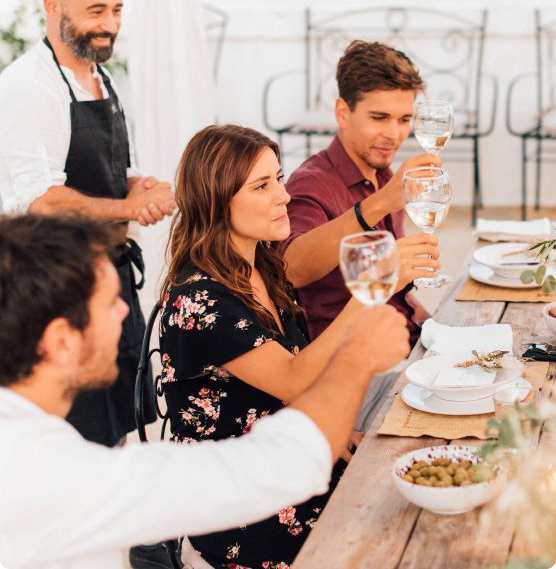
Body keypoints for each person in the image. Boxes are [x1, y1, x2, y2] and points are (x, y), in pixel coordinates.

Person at [0, 213, 410, 569]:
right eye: (110, 304)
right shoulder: (37, 471)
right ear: (61, 342)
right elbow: (277, 467)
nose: (127, 310)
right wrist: (355, 358)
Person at [158, 124, 409, 569]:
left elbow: (293, 383)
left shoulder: (265, 265)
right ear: (216, 200)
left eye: (278, 178)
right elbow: (293, 376)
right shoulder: (198, 297)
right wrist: (372, 289)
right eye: (262, 185)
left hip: (286, 460)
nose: (284, 196)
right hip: (242, 507)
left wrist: (333, 429)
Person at [0, 0, 175, 446]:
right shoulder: (28, 89)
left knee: (122, 427)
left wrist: (142, 187)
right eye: (97, 11)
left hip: (109, 278)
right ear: (52, 6)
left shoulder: (102, 78)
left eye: (117, 11)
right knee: (74, 437)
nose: (110, 24)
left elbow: (116, 169)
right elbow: (42, 201)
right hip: (56, 293)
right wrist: (127, 208)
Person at [284, 40, 443, 345]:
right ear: (343, 113)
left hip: (406, 339)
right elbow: (291, 268)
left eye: (404, 120)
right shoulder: (311, 183)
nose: (394, 134)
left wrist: (438, 331)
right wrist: (378, 204)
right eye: (379, 117)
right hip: (353, 358)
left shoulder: (385, 175)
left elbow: (399, 297)